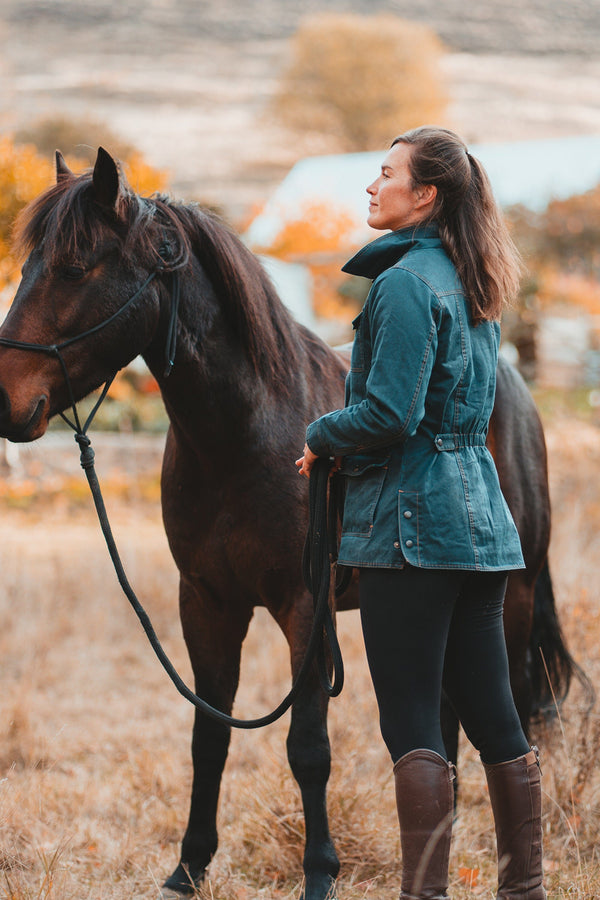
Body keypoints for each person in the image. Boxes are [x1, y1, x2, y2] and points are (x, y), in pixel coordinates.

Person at [295, 126, 545, 900]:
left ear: (425, 194)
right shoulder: (472, 281)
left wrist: (318, 436)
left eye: (386, 174)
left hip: (410, 532)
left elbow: (390, 415)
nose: (372, 187)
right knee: (496, 720)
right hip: (479, 528)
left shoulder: (404, 284)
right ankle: (523, 891)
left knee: (411, 725)